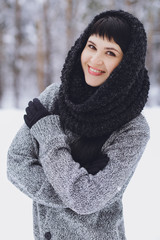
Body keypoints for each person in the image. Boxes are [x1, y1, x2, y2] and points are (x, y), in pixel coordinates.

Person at [7, 9, 150, 240]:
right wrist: (77, 187)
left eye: (110, 52)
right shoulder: (55, 97)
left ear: (127, 64)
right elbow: (16, 164)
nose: (95, 60)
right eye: (91, 46)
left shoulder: (133, 128)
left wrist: (49, 134)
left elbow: (86, 200)